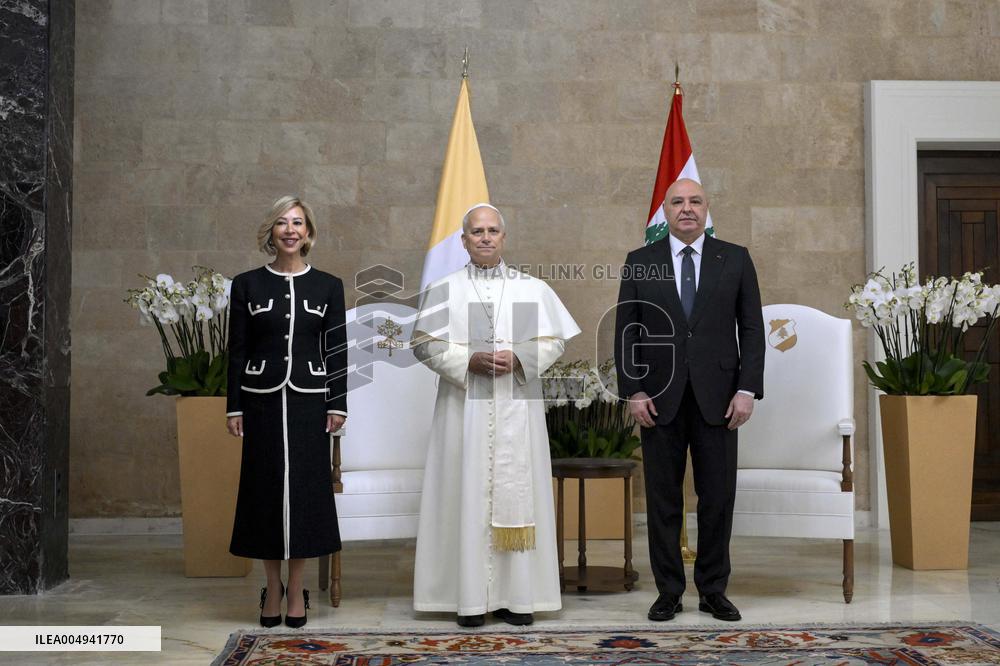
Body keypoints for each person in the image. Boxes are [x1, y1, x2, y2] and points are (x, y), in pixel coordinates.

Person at [411, 203, 580, 627]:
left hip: (516, 413)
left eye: (492, 231)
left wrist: (519, 357)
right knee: (463, 494)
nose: (485, 238)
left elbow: (551, 341)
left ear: (504, 238)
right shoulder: (446, 289)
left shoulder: (528, 289)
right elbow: (424, 344)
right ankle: (468, 599)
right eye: (476, 232)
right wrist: (467, 361)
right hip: (462, 413)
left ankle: (517, 598)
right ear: (464, 240)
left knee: (517, 494)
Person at [614, 178, 764, 622]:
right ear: (665, 210)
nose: (687, 209)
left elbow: (752, 329)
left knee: (717, 498)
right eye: (677, 202)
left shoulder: (734, 259)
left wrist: (747, 389)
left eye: (695, 201)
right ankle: (669, 592)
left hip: (720, 400)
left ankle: (714, 590)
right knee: (662, 501)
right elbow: (628, 331)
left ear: (706, 209)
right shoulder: (640, 262)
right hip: (658, 400)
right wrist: (634, 389)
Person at [225, 195, 348, 628]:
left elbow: (336, 350)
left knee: (305, 494)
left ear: (309, 233)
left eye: (298, 223)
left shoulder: (328, 285)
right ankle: (271, 587)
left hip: (310, 400)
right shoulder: (246, 284)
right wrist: (233, 407)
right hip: (258, 398)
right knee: (264, 492)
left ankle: (297, 590)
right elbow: (236, 350)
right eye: (282, 222)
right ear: (271, 232)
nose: (290, 230)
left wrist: (338, 404)